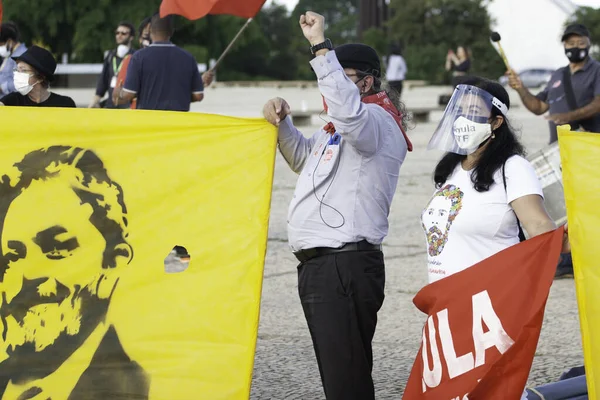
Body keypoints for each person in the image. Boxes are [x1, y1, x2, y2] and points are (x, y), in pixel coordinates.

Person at [262, 11, 413, 400]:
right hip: (323, 266)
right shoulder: (337, 128)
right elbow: (302, 159)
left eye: (345, 80)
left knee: (345, 382)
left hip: (343, 264)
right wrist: (282, 122)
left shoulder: (375, 121)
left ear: (369, 81)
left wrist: (320, 47)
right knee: (344, 374)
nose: (334, 92)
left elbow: (348, 110)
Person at [0, 146, 149, 399]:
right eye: (13, 256)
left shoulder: (139, 388)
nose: (28, 275)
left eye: (57, 248)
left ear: (113, 262)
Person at [423, 76, 570, 285]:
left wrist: (563, 240)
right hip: (448, 298)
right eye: (460, 111)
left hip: (491, 294)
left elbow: (537, 223)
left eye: (474, 112)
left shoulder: (513, 168)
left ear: (496, 122)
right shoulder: (451, 168)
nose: (463, 119)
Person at [508, 23, 600, 144]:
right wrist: (521, 88)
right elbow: (539, 107)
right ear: (564, 46)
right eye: (571, 43)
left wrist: (568, 117)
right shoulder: (558, 74)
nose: (575, 47)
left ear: (589, 44)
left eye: (581, 43)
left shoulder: (597, 70)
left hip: (588, 146)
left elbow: (598, 104)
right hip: (558, 148)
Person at [117, 14, 213, 111]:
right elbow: (198, 96)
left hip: (149, 122)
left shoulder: (138, 57)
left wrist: (120, 91)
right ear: (171, 32)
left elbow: (128, 95)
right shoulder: (188, 58)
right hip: (179, 121)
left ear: (150, 31)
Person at [0, 45, 76, 107]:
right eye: (17, 70)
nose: (17, 74)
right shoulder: (12, 101)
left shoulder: (64, 104)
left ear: (40, 77)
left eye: (23, 70)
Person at [89, 21, 136, 109]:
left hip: (127, 106)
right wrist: (95, 100)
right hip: (111, 104)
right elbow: (103, 80)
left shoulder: (135, 56)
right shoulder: (110, 55)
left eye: (123, 33)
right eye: (117, 33)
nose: (119, 35)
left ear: (131, 37)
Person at [113, 16, 153, 109]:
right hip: (139, 115)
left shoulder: (171, 59)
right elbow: (116, 99)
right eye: (146, 36)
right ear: (139, 39)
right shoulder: (132, 60)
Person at [0, 22, 27, 96]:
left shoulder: (20, 56)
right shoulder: (9, 55)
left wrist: (1, 88)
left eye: (0, 44)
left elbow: (21, 83)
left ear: (9, 41)